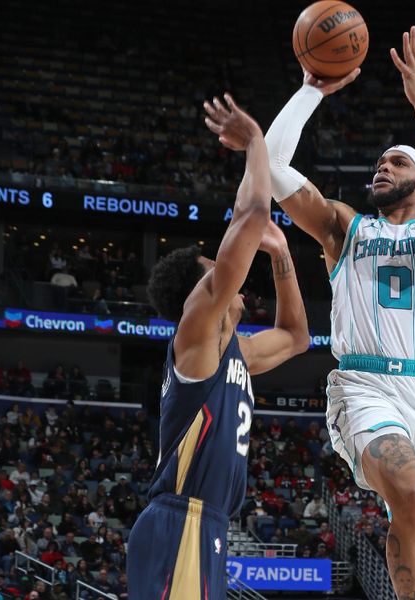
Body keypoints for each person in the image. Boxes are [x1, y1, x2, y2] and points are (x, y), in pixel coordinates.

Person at [264, 26, 415, 600]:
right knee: (409, 492)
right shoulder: (345, 227)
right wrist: (310, 90)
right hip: (364, 383)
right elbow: (272, 165)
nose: (381, 168)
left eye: (396, 162)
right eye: (380, 162)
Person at [126, 94, 309, 600]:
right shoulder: (196, 329)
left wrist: (283, 253)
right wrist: (255, 145)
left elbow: (297, 337)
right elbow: (249, 220)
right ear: (198, 289)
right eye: (216, 264)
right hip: (179, 519)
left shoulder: (234, 355)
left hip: (205, 525)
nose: (230, 276)